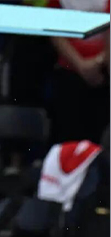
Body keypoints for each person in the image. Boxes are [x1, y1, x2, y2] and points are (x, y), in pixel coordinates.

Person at [49, 0, 110, 145]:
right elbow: (53, 27)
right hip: (70, 74)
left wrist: (100, 60)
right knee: (69, 136)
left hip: (104, 72)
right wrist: (80, 65)